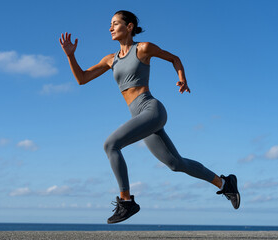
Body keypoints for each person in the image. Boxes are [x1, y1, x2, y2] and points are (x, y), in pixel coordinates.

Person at [59, 10, 240, 224]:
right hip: (139, 116)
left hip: (151, 109)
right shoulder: (110, 60)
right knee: (176, 164)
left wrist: (182, 78)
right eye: (110, 24)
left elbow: (174, 58)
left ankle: (126, 201)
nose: (110, 28)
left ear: (129, 26)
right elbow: (82, 78)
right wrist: (71, 55)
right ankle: (224, 183)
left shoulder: (143, 48)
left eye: (115, 23)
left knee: (111, 145)